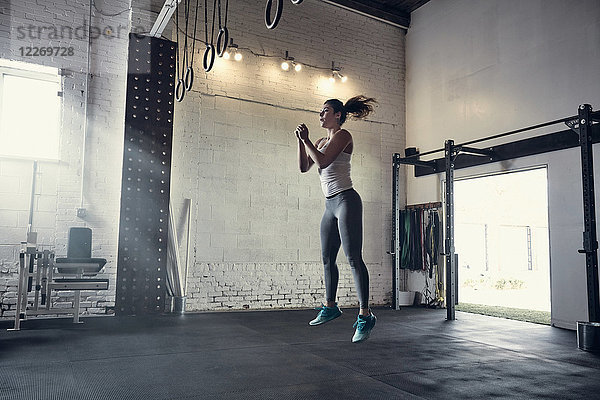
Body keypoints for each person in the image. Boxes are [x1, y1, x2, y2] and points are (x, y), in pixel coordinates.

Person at [295, 95, 377, 343]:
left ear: (338, 115)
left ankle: (365, 314)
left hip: (347, 201)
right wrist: (302, 142)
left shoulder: (343, 136)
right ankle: (330, 306)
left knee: (353, 258)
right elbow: (304, 167)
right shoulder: (320, 140)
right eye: (320, 111)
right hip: (330, 205)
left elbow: (322, 161)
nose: (321, 115)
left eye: (325, 111)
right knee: (327, 258)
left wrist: (307, 139)